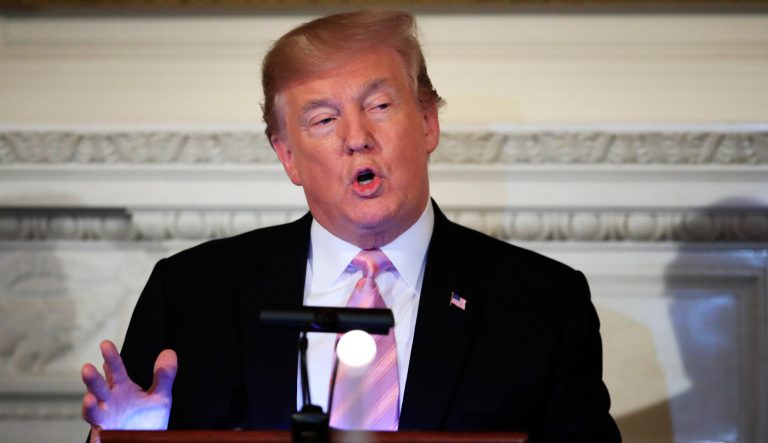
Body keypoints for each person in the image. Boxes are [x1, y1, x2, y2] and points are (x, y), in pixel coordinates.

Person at [81, 10, 621, 442]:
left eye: (379, 105)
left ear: (428, 122)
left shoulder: (545, 303)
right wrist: (128, 442)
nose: (356, 137)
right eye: (323, 119)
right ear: (288, 156)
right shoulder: (192, 293)